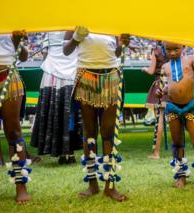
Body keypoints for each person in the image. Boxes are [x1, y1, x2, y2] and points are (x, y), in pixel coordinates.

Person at [63, 26, 130, 201]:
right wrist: (77, 36)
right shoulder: (75, 23)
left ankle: (110, 185)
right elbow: (66, 50)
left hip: (111, 76)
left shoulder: (111, 22)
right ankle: (92, 184)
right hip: (86, 77)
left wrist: (122, 45)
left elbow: (115, 53)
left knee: (108, 132)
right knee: (90, 132)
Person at [158, 41, 194, 189]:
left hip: (190, 107)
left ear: (183, 46)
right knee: (177, 142)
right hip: (173, 108)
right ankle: (181, 177)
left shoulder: (191, 59)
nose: (172, 53)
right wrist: (162, 91)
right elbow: (168, 84)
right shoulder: (164, 67)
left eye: (175, 49)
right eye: (168, 49)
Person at [0, 31, 32, 204]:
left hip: (7, 75)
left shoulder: (10, 16)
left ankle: (21, 186)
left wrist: (17, 40)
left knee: (13, 131)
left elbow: (24, 56)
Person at [30, 31, 82, 164]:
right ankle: (67, 152)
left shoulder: (51, 26)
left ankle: (64, 151)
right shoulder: (57, 26)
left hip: (60, 71)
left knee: (62, 112)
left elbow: (45, 52)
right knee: (69, 112)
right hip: (62, 70)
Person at [142, 41, 168, 159]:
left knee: (160, 119)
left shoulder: (156, 50)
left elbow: (151, 71)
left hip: (161, 84)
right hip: (175, 83)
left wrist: (144, 69)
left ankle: (156, 152)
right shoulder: (175, 47)